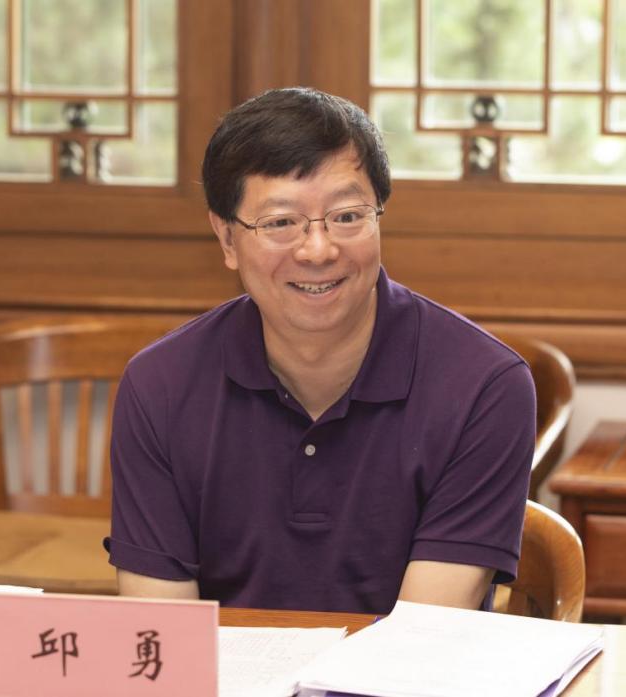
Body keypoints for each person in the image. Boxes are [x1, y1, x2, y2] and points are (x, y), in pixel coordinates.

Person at [104, 87, 535, 615]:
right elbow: (162, 631)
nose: (318, 249)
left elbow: (425, 638)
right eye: (280, 223)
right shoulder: (160, 386)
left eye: (347, 216)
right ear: (227, 239)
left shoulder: (484, 386)